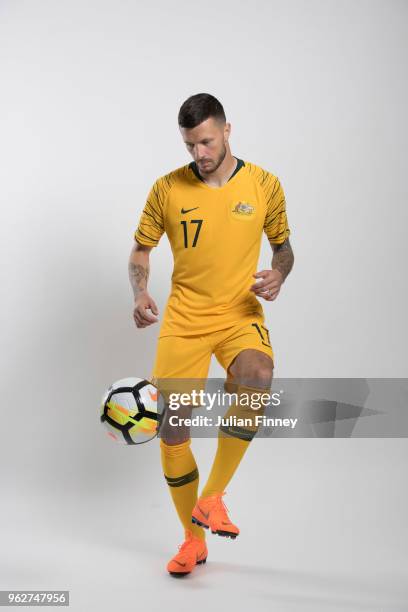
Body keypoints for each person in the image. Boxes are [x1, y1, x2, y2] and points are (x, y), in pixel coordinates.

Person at [128, 93, 294, 577]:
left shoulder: (265, 184)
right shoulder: (166, 189)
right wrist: (139, 293)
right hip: (184, 320)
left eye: (205, 141)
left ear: (226, 131)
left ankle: (214, 496)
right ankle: (191, 541)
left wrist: (280, 274)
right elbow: (140, 251)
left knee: (258, 373)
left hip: (238, 313)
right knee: (173, 426)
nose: (198, 154)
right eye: (189, 145)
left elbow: (284, 250)